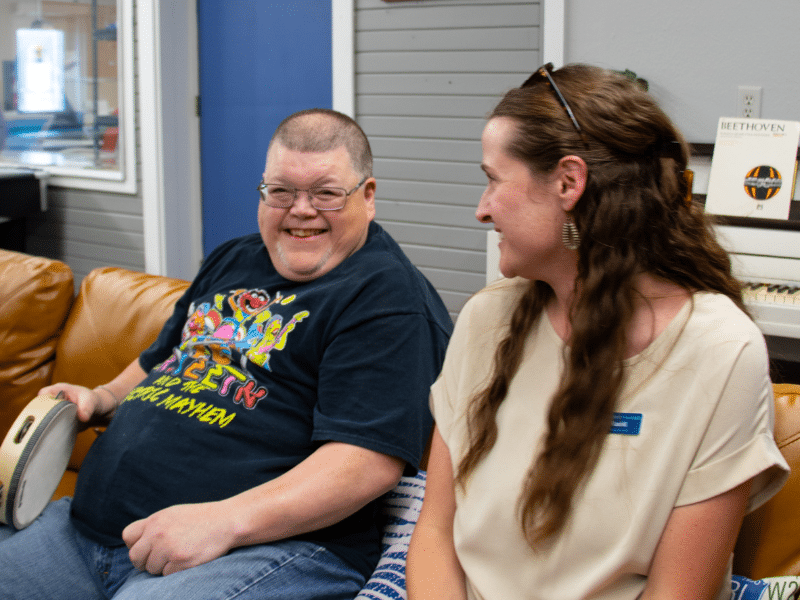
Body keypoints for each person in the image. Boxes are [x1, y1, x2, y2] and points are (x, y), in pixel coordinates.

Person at [0, 108, 453, 600]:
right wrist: (103, 397)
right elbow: (162, 358)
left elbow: (366, 464)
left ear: (367, 197)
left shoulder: (388, 299)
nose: (301, 209)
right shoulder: (233, 258)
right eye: (281, 191)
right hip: (89, 529)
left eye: (326, 193)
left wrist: (224, 522)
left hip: (264, 547)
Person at [406, 64, 790, 600]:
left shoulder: (719, 350)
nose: (481, 209)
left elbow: (679, 592)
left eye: (494, 179)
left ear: (569, 181)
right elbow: (435, 533)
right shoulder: (485, 320)